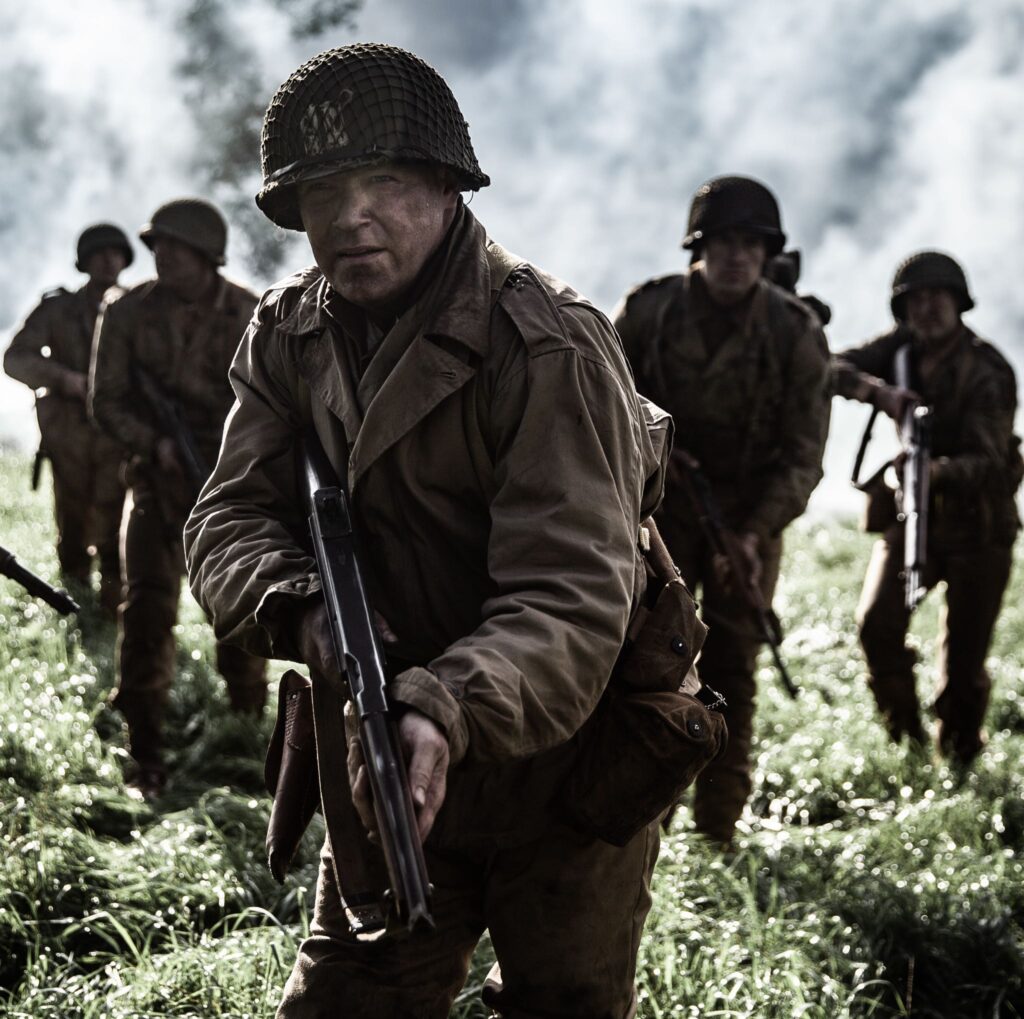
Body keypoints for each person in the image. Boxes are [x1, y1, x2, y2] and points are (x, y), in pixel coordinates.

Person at [184, 42, 724, 1019]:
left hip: (565, 761)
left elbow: (568, 594)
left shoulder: (546, 341)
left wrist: (442, 705)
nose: (351, 215)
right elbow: (227, 515)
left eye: (383, 180)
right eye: (321, 190)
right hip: (380, 748)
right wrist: (302, 608)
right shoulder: (286, 334)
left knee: (563, 1001)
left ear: (444, 187)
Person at [613, 175, 831, 846]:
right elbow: (603, 403)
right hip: (658, 519)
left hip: (748, 521)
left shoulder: (794, 332)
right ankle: (642, 818)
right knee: (650, 668)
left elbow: (804, 454)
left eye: (749, 244)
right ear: (697, 248)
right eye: (723, 243)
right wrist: (657, 453)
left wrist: (755, 533)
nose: (736, 257)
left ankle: (717, 830)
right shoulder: (650, 312)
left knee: (731, 672)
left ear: (767, 254)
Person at [89, 198, 267, 799]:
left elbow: (273, 410)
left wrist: (230, 457)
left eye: (175, 248)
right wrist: (155, 442)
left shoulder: (250, 313)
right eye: (156, 246)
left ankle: (247, 731)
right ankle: (145, 749)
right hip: (155, 485)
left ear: (206, 255)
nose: (161, 257)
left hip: (233, 488)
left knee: (243, 613)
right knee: (145, 613)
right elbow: (105, 402)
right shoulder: (126, 311)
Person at [832, 251, 1020, 765]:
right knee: (876, 625)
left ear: (959, 302)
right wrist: (879, 393)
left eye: (938, 297)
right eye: (916, 299)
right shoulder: (898, 350)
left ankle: (958, 762)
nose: (928, 308)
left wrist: (934, 469)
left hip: (980, 528)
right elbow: (825, 367)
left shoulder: (988, 369)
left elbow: (990, 461)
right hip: (913, 516)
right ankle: (906, 743)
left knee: (963, 664)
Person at [4, 223, 132, 614]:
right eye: (99, 254)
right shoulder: (58, 309)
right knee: (73, 520)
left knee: (117, 521)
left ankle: (114, 607)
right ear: (85, 261)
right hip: (70, 436)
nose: (108, 260)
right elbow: (16, 359)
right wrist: (66, 380)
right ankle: (74, 604)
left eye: (115, 253)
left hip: (119, 435)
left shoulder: (136, 308)